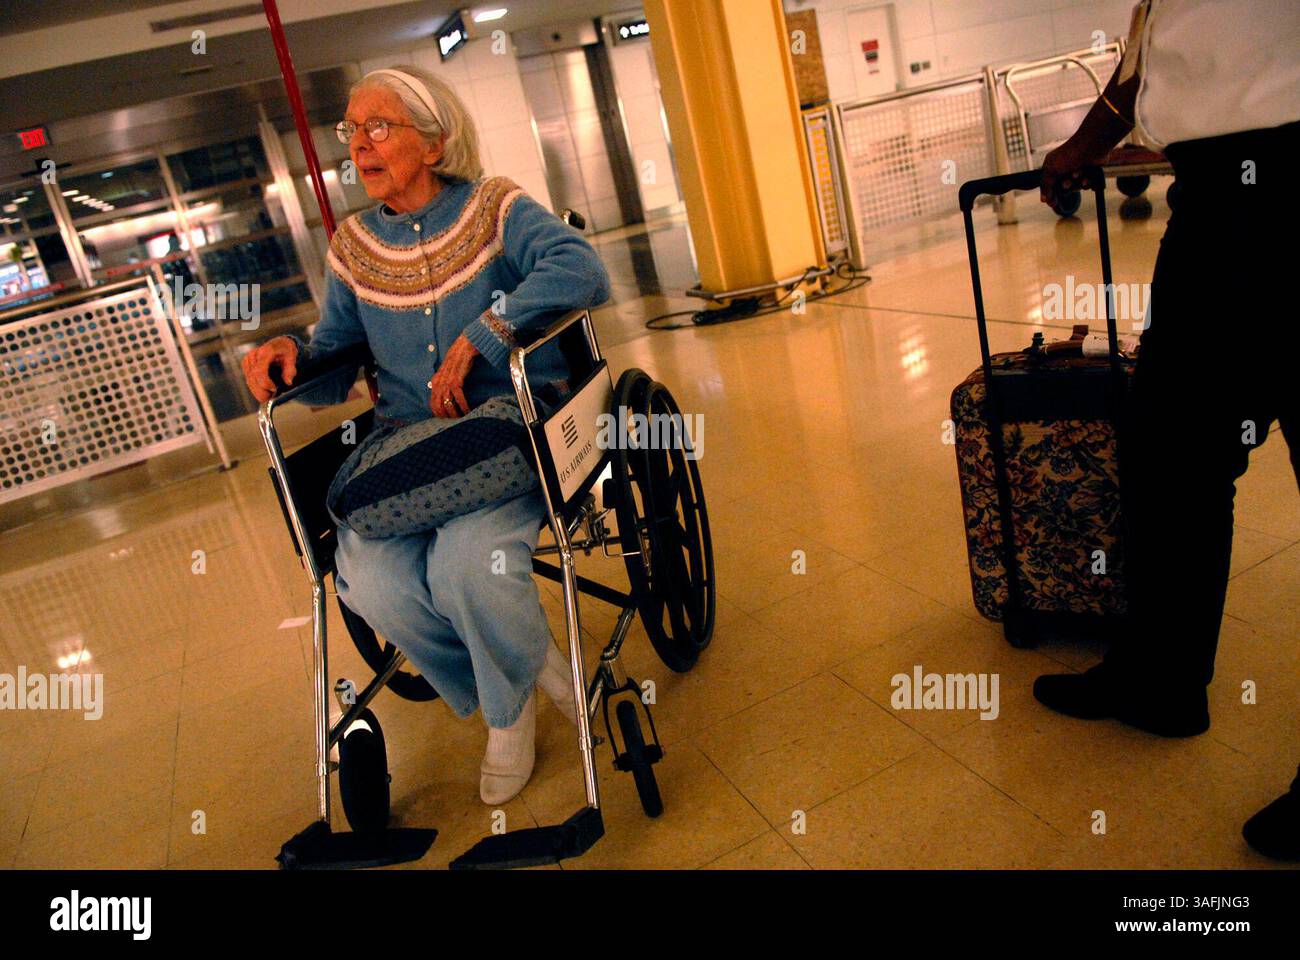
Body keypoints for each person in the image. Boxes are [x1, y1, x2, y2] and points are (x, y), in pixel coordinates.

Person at [241, 65, 611, 805]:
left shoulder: (494, 207)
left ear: (435, 142)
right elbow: (333, 364)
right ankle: (521, 672)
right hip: (408, 450)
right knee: (371, 584)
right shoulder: (352, 246)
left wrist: (489, 331)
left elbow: (582, 269)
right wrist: (289, 357)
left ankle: (508, 722)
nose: (358, 144)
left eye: (378, 126)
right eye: (351, 129)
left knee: (468, 569)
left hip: (501, 436)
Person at [1032, 0, 1299, 859]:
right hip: (1217, 207)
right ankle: (1162, 679)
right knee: (1170, 453)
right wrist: (1080, 148)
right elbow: (1145, 63)